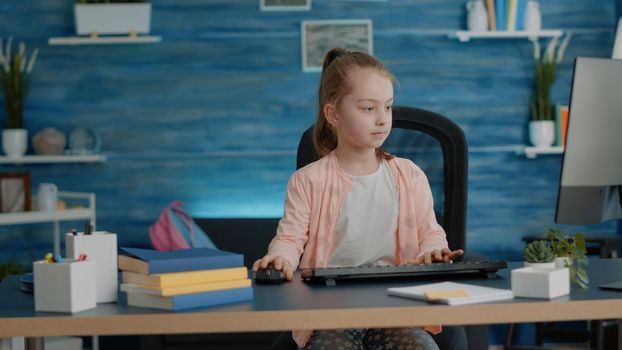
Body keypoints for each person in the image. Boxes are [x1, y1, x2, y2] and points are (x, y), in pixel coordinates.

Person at [252, 47, 464, 350]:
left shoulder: (410, 175)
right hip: (330, 310)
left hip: (397, 307)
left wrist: (434, 251)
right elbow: (290, 239)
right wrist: (280, 258)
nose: (382, 119)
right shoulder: (307, 180)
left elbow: (430, 233)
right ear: (333, 114)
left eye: (388, 108)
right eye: (368, 108)